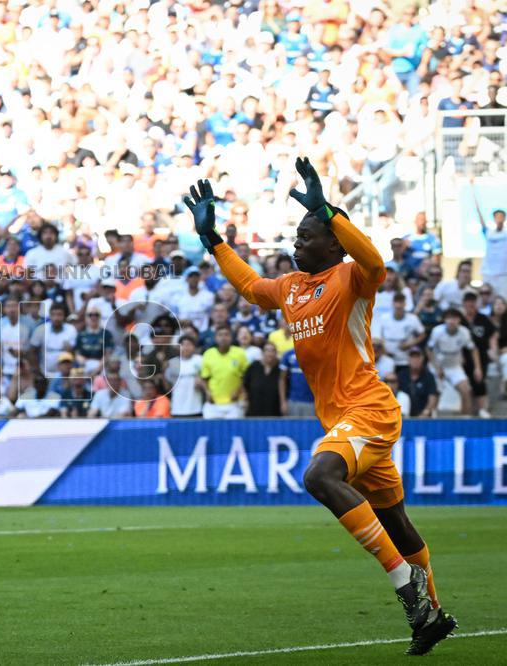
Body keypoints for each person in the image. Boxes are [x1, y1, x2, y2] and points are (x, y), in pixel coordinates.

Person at [184, 159, 455, 655]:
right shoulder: (290, 288)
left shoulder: (351, 280)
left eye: (306, 236)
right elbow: (249, 287)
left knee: (319, 476)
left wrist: (329, 211)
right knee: (395, 521)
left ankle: (404, 585)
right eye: (296, 235)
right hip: (345, 419)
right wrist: (214, 241)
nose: (295, 243)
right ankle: (431, 616)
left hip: (368, 411)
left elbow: (376, 263)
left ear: (332, 242)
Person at [427, 308, 481, 416]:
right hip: (438, 365)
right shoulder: (437, 331)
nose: (452, 321)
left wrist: (477, 368)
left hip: (455, 366)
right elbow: (428, 349)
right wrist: (436, 367)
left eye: (454, 318)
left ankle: (465, 420)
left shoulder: (464, 332)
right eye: (449, 318)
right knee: (435, 393)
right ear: (445, 320)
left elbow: (473, 349)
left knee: (466, 391)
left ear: (459, 320)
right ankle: (432, 419)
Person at [199, 324, 248, 418]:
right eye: (220, 335)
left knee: (235, 432)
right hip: (213, 403)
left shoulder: (240, 353)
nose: (223, 338)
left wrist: (239, 391)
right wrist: (207, 392)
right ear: (216, 338)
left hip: (235, 403)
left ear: (231, 337)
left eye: (226, 335)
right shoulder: (208, 354)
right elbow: (204, 378)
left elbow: (246, 377)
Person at [243, 342, 282, 416]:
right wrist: (245, 400)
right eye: (267, 350)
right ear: (262, 353)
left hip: (274, 411)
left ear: (276, 353)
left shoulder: (280, 369)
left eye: (272, 351)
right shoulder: (254, 366)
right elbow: (245, 384)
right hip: (254, 410)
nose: (270, 353)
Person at [398, 348, 438, 417]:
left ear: (422, 359)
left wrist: (426, 411)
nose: (415, 360)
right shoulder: (401, 375)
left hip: (423, 415)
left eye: (418, 357)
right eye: (413, 357)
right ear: (408, 360)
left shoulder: (428, 376)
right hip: (403, 415)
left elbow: (432, 397)